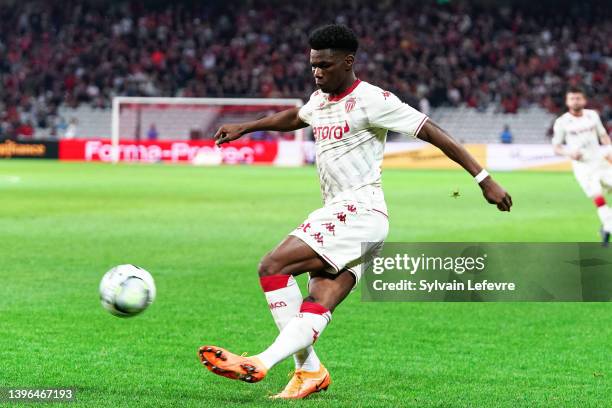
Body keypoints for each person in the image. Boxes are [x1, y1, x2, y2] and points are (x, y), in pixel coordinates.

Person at [197, 24, 513, 399]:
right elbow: (295, 117)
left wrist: (483, 178)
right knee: (317, 301)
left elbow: (432, 131)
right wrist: (247, 127)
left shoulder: (374, 100)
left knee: (272, 266)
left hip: (358, 210)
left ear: (348, 62)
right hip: (356, 221)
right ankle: (310, 372)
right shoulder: (320, 100)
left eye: (325, 65)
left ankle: (264, 362)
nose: (317, 72)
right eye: (313, 64)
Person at [552, 87, 612, 245]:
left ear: (584, 100)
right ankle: (609, 227)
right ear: (567, 101)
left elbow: (604, 136)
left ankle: (607, 227)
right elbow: (557, 147)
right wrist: (569, 153)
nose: (575, 101)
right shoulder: (562, 122)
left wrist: (610, 151)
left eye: (578, 98)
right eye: (572, 98)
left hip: (600, 161)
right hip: (583, 167)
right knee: (598, 196)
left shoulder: (592, 115)